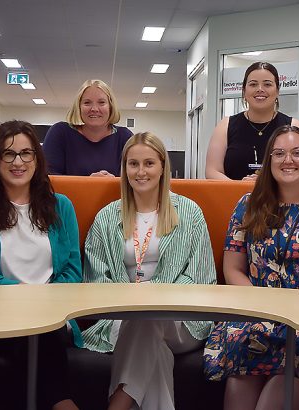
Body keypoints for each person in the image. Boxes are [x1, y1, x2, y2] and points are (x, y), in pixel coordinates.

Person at [203, 125, 299, 410]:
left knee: (296, 353)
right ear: (269, 161)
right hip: (255, 313)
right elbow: (233, 269)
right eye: (279, 153)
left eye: (297, 153)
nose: (288, 160)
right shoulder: (248, 205)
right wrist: (261, 305)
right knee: (243, 360)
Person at [0, 120, 82, 410]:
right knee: (29, 332)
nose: (18, 162)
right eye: (8, 154)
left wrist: (42, 300)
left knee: (41, 329)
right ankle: (62, 402)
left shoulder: (61, 206)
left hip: (53, 315)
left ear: (37, 158)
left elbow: (73, 272)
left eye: (26, 153)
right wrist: (20, 292)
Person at [81, 132, 217, 410]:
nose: (140, 171)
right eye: (133, 164)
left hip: (181, 321)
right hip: (120, 319)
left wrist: (154, 298)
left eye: (149, 163)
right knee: (153, 347)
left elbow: (202, 278)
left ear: (163, 167)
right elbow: (94, 280)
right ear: (124, 169)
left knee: (149, 316)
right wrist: (131, 303)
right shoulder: (107, 217)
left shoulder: (189, 212)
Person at [205, 62, 299, 181]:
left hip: (281, 193)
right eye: (253, 84)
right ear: (244, 91)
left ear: (277, 91)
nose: (260, 89)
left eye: (267, 84)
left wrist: (265, 186)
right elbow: (212, 171)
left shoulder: (294, 126)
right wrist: (240, 187)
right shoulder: (225, 126)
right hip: (233, 192)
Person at [43, 79, 133, 176]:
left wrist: (113, 183)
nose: (94, 109)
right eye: (87, 103)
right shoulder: (60, 133)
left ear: (110, 107)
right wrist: (89, 183)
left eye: (101, 102)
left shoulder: (125, 137)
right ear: (79, 107)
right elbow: (46, 178)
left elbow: (136, 177)